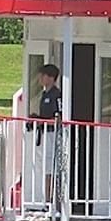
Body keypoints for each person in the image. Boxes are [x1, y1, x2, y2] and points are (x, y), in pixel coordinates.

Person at [30, 63, 62, 208]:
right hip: (43, 135)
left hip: (52, 134)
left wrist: (43, 121)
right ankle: (45, 200)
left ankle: (52, 202)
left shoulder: (57, 95)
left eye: (43, 76)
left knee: (51, 168)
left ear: (50, 78)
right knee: (44, 166)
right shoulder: (44, 94)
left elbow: (59, 118)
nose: (40, 78)